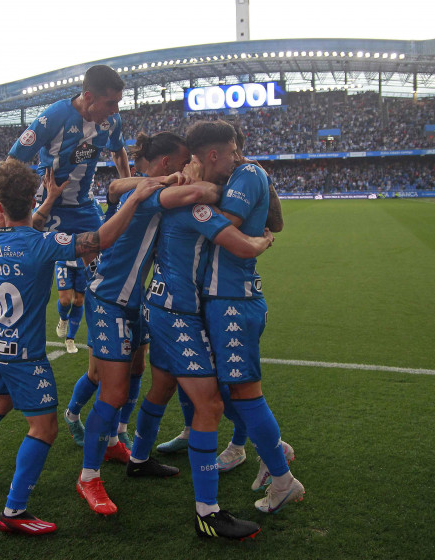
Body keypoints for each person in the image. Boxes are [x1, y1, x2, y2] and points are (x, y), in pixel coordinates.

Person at [0, 159, 161, 535]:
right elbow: (100, 240)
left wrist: (46, 201)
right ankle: (14, 513)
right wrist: (134, 197)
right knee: (45, 428)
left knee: (0, 402)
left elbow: (22, 222)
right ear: (28, 200)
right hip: (24, 353)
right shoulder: (43, 244)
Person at [120, 121, 274, 539]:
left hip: (162, 303)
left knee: (163, 385)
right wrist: (262, 241)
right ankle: (207, 511)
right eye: (224, 161)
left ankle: (137, 458)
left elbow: (123, 189)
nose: (230, 168)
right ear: (203, 160)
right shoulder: (194, 204)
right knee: (209, 406)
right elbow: (241, 245)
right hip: (176, 312)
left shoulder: (171, 195)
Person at [73, 132, 232, 508]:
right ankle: (88, 478)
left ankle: (116, 445)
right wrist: (234, 188)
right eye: (180, 164)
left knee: (135, 372)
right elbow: (194, 195)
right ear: (166, 165)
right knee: (111, 391)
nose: (183, 170)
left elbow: (116, 184)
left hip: (133, 300)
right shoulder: (153, 195)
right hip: (109, 300)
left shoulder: (150, 187)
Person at [198, 121, 304, 516]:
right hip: (223, 301)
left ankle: (282, 480)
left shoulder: (246, 173)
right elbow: (267, 224)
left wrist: (191, 197)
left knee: (243, 392)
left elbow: (226, 227)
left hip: (233, 302)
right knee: (223, 391)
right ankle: (268, 447)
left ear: (219, 152)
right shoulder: (247, 173)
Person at [0, 65, 131, 354]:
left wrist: (126, 185)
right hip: (49, 207)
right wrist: (4, 214)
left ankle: (104, 343)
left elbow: (118, 151)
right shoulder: (55, 116)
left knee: (101, 271)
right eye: (110, 103)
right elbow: (11, 161)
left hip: (83, 208)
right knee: (25, 272)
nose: (115, 110)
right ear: (89, 96)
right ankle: (9, 341)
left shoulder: (112, 122)